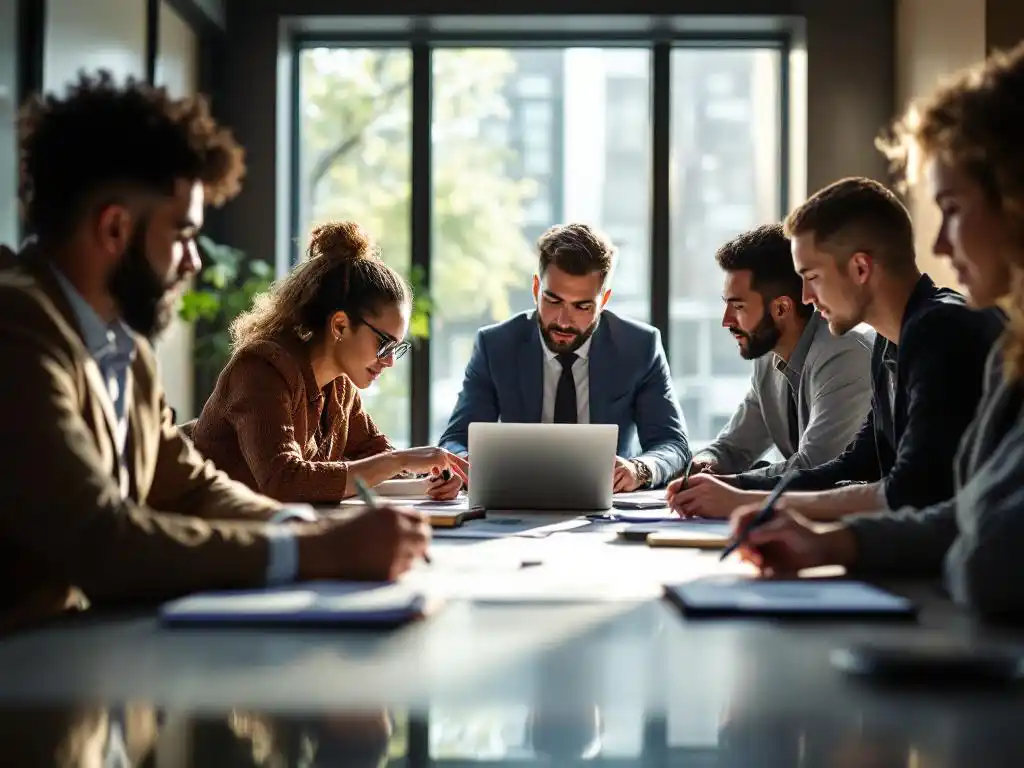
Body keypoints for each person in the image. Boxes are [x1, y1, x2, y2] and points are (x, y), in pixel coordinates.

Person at [0, 72, 429, 630]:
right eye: (181, 234)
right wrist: (314, 552)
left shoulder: (124, 349)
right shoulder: (17, 328)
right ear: (114, 228)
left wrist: (304, 529)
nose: (192, 262)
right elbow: (99, 540)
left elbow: (189, 485)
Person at [731, 42, 1024, 615]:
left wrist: (777, 508)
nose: (940, 244)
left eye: (954, 208)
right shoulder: (962, 352)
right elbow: (958, 514)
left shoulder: (942, 329)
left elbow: (973, 544)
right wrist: (826, 538)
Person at [669, 177, 1003, 521]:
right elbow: (858, 462)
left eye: (811, 277)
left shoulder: (939, 327)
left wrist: (745, 501)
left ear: (860, 268)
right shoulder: (890, 341)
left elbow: (910, 491)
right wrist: (734, 486)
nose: (806, 298)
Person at [193, 220, 468, 503]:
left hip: (280, 535)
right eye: (383, 343)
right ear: (339, 326)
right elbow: (284, 481)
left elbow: (377, 458)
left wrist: (435, 477)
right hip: (216, 538)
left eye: (395, 348)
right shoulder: (260, 370)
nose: (389, 362)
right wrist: (399, 461)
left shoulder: (340, 386)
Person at [439, 223, 690, 492]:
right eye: (553, 300)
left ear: (604, 300)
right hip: (517, 499)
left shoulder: (639, 347)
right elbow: (455, 439)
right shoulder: (496, 345)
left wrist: (638, 469)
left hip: (608, 504)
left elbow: (674, 445)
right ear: (536, 288)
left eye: (582, 306)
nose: (563, 321)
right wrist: (463, 466)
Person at [690, 223, 874, 478]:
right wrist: (703, 464)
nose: (727, 321)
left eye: (739, 307)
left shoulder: (846, 352)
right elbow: (733, 448)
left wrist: (729, 485)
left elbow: (816, 466)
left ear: (781, 309)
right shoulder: (769, 356)